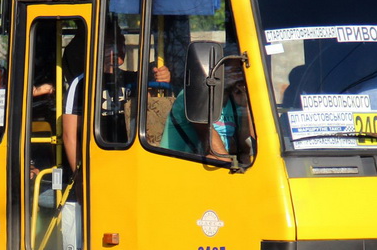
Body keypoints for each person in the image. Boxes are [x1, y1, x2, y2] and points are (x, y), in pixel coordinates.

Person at [62, 32, 170, 172]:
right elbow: (69, 136)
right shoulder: (82, 83)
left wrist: (163, 76)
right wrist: (80, 176)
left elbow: (152, 112)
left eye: (120, 45)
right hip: (97, 162)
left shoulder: (134, 80)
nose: (116, 51)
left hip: (132, 159)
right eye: (109, 46)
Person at [160, 62, 252, 163]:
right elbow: (217, 154)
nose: (240, 75)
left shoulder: (233, 99)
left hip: (220, 164)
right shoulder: (194, 95)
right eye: (236, 70)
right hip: (179, 165)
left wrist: (246, 106)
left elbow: (246, 147)